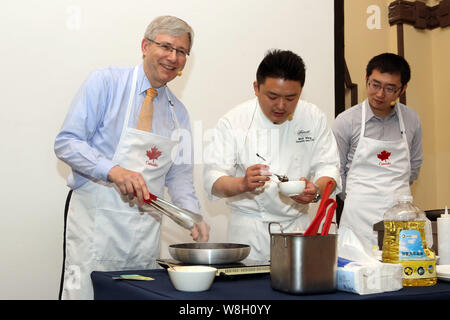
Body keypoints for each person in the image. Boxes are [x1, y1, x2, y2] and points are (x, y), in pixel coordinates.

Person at [54, 15, 210, 300]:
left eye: (181, 52)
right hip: (96, 225)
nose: (173, 57)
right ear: (144, 46)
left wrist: (192, 215)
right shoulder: (106, 83)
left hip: (143, 235)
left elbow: (179, 177)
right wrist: (113, 171)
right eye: (166, 46)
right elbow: (66, 143)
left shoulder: (180, 113)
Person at [203, 50, 341, 261]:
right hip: (249, 232)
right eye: (272, 96)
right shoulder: (234, 121)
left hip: (298, 229)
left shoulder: (313, 117)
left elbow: (329, 167)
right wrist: (242, 184)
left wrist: (316, 191)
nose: (281, 106)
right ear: (256, 88)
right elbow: (213, 178)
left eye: (290, 98)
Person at [332, 53, 423, 249]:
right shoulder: (346, 121)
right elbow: (336, 170)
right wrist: (358, 198)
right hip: (358, 218)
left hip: (400, 217)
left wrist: (394, 195)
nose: (380, 94)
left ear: (403, 89)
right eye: (375, 85)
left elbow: (413, 167)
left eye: (390, 88)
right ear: (366, 80)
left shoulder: (411, 120)